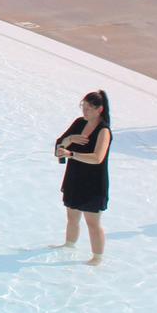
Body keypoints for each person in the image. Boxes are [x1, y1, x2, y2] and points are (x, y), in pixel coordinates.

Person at [54, 90, 111, 262]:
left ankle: (97, 257)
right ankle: (69, 245)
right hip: (74, 177)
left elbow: (97, 158)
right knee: (72, 217)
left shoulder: (103, 131)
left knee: (92, 223)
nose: (84, 111)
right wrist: (70, 139)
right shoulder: (79, 123)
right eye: (83, 107)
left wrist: (71, 154)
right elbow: (59, 146)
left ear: (99, 109)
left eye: (88, 108)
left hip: (93, 182)